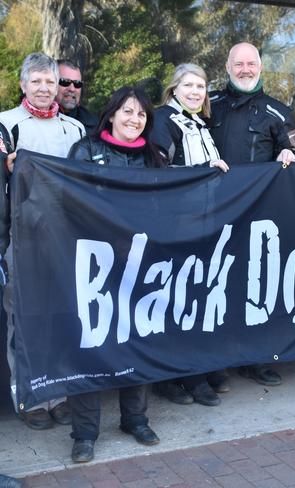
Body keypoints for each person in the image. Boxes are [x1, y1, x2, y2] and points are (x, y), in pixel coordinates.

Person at [66, 86, 164, 463]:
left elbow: (168, 204)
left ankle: (135, 419)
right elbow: (69, 199)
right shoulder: (86, 151)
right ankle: (85, 432)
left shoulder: (155, 158)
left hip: (139, 263)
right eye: (127, 111)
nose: (133, 119)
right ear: (111, 114)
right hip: (92, 261)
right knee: (90, 343)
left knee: (137, 337)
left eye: (141, 114)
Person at [0, 52, 85, 430]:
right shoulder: (4, 125)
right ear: (22, 85)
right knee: (25, 321)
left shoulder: (75, 129)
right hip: (21, 240)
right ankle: (30, 396)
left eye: (50, 81)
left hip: (64, 239)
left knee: (62, 318)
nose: (44, 87)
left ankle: (60, 394)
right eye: (36, 81)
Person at [209, 42, 295, 387]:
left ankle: (257, 358)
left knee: (257, 287)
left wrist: (289, 155)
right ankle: (215, 362)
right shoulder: (208, 106)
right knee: (217, 285)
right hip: (213, 213)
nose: (246, 70)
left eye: (252, 63)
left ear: (261, 67)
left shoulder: (279, 111)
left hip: (261, 216)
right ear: (227, 67)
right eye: (239, 64)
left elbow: (293, 153)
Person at [149, 63, 228, 407]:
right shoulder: (164, 120)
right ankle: (180, 378)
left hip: (204, 225)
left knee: (197, 299)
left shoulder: (199, 123)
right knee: (178, 302)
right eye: (189, 85)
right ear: (174, 89)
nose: (196, 92)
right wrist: (201, 171)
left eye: (201, 86)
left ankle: (190, 371)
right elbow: (158, 172)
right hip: (176, 226)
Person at [55, 59, 98, 132]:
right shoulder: (33, 120)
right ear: (51, 83)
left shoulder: (94, 126)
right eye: (65, 82)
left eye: (77, 83)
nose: (72, 89)